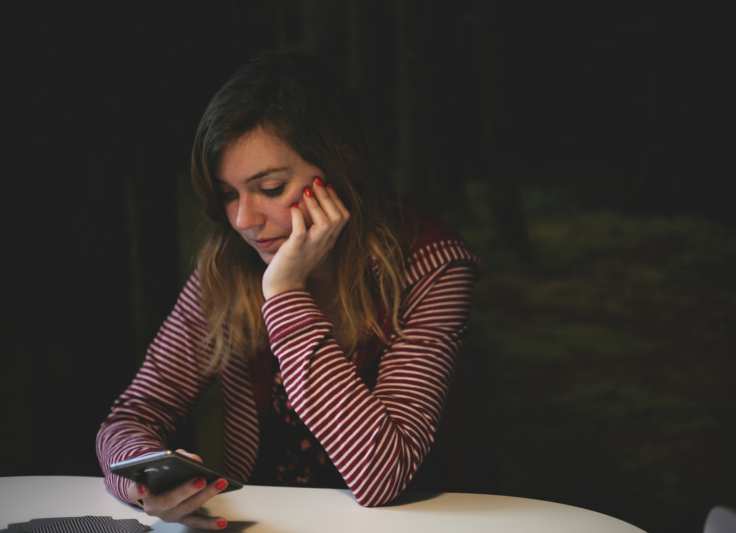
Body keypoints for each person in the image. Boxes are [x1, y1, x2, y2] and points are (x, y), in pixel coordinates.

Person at [96, 51, 479, 530]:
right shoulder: (226, 267)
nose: (243, 220)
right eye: (229, 194)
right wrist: (144, 479)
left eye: (271, 188)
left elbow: (381, 476)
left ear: (339, 173)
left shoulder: (430, 266)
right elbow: (131, 415)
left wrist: (283, 291)